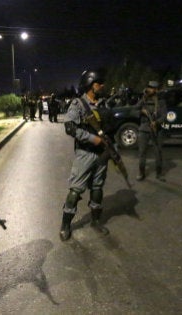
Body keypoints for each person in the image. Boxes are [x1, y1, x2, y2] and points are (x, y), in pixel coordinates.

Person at [60, 70, 111, 241]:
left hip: (102, 154)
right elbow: (70, 127)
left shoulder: (104, 104)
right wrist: (92, 138)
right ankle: (66, 225)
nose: (102, 86)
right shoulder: (79, 104)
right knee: (75, 191)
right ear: (90, 85)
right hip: (85, 154)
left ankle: (96, 221)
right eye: (99, 83)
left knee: (97, 189)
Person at [136, 81, 168, 182]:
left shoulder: (161, 102)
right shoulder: (143, 100)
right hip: (144, 129)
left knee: (158, 152)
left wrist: (157, 122)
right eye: (149, 87)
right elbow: (134, 110)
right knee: (142, 152)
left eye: (152, 88)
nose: (149, 89)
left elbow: (164, 116)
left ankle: (159, 174)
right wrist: (141, 111)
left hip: (157, 130)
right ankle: (141, 173)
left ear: (156, 90)